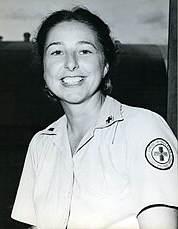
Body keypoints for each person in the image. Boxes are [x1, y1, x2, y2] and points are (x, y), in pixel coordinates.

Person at [11, 6, 178, 229]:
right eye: (56, 52)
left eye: (85, 51)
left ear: (105, 64)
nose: (71, 63)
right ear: (43, 67)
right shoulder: (40, 144)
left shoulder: (141, 128)